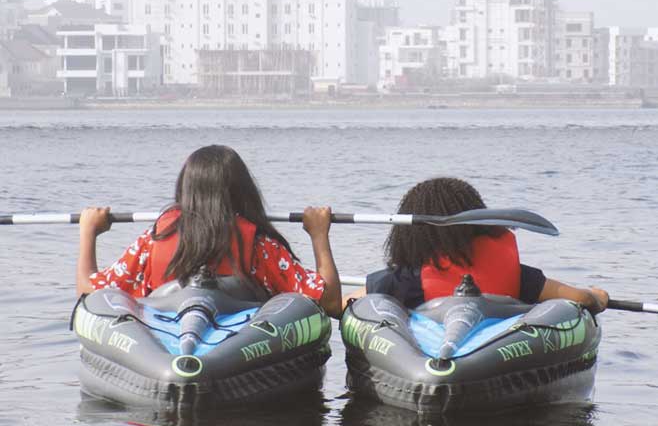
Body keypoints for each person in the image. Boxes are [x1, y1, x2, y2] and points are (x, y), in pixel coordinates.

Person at [77, 145, 342, 318]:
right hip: (234, 356)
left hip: (166, 344)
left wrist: (88, 231)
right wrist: (319, 235)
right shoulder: (260, 247)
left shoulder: (152, 241)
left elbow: (89, 290)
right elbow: (328, 300)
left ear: (185, 190)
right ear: (243, 192)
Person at [343, 177, 608, 315]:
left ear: (407, 236)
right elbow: (580, 299)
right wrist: (597, 296)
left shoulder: (403, 282)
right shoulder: (517, 276)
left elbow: (339, 305)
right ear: (481, 223)